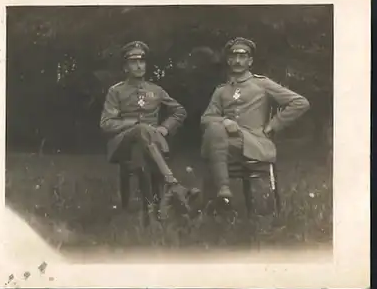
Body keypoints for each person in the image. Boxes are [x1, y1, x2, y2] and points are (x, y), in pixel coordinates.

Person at [200, 37, 310, 201]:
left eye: (243, 56)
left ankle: (217, 199)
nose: (237, 60)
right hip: (227, 144)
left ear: (250, 61)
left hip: (254, 142)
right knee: (214, 130)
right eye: (234, 56)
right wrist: (224, 121)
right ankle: (222, 193)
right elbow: (206, 118)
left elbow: (300, 102)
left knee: (212, 141)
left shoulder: (262, 84)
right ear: (229, 61)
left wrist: (273, 126)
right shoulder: (221, 91)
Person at [100, 41, 191, 211]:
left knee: (143, 147)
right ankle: (171, 182)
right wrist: (132, 123)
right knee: (142, 129)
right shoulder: (117, 91)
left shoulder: (156, 90)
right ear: (126, 67)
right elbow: (106, 123)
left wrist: (165, 128)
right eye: (133, 62)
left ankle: (152, 207)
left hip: (150, 143)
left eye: (141, 62)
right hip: (122, 144)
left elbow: (179, 111)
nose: (139, 66)